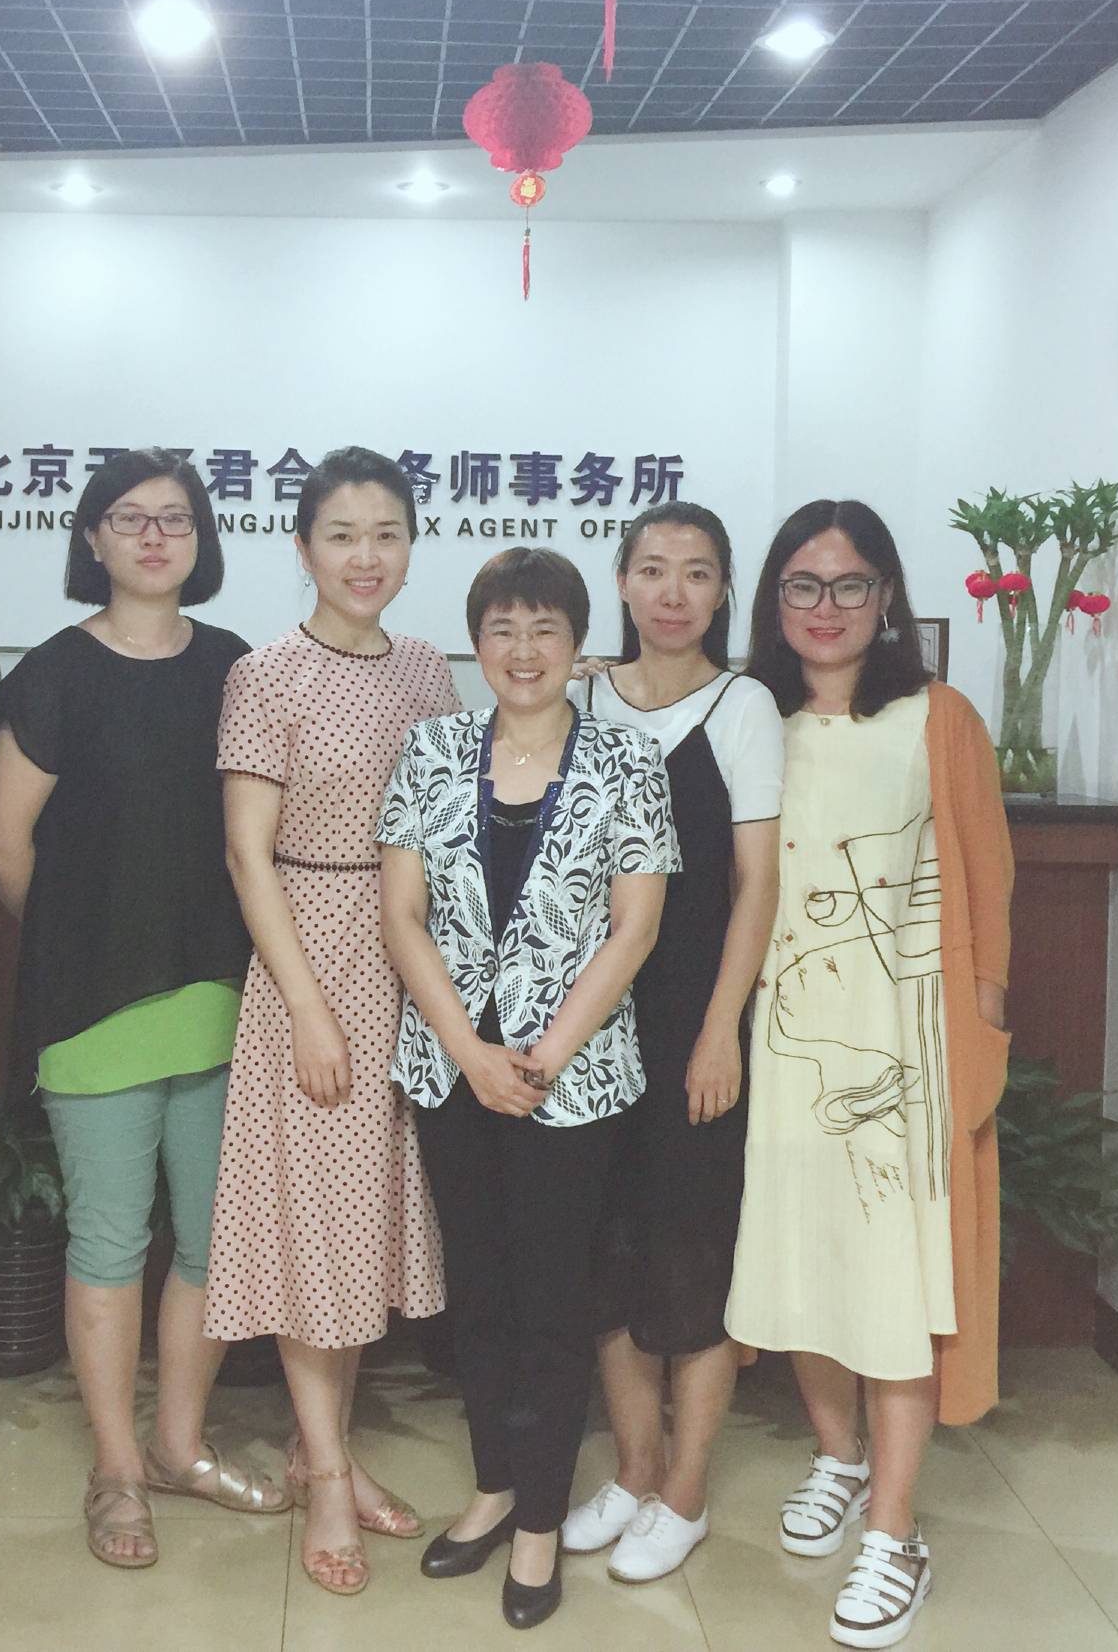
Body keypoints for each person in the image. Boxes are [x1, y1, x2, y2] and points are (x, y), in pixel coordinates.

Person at [0, 447, 286, 1571]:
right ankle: (115, 1467)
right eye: (130, 518)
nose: (155, 537)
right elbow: (3, 846)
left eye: (176, 518)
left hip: (222, 996)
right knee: (109, 1239)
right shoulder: (53, 675)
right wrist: (88, 932)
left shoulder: (237, 666)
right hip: (94, 1004)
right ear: (91, 538)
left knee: (208, 1240)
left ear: (202, 540)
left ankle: (178, 1445)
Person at [725, 500, 1013, 1650]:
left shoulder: (937, 717)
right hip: (785, 1046)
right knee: (803, 1257)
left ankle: (895, 1531)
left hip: (909, 1051)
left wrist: (981, 1028)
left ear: (886, 595)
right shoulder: (750, 717)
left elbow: (987, 884)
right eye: (803, 585)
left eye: (850, 585)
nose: (826, 607)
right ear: (773, 600)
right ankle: (837, 1457)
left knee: (898, 1279)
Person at [379, 547, 679, 1631]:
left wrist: (543, 1054)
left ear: (576, 643)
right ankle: (495, 1486)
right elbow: (402, 915)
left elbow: (634, 928)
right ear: (478, 642)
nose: (522, 649)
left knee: (554, 1298)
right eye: (502, 628)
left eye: (545, 628)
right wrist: (469, 1050)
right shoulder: (432, 749)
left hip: (575, 1079)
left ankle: (542, 1518)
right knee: (481, 1292)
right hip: (452, 1070)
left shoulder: (628, 759)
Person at [203, 446, 460, 1597]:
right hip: (309, 962)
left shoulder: (426, 667)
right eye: (343, 535)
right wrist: (308, 1007)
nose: (366, 556)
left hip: (409, 963)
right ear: (303, 547)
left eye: (386, 534)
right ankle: (323, 1479)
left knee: (361, 1234)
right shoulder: (265, 675)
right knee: (315, 1231)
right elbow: (244, 855)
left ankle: (334, 1455)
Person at [560, 503, 784, 1582]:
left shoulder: (744, 706)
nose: (672, 592)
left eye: (697, 572)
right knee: (603, 1249)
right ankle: (636, 1466)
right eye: (652, 569)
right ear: (621, 581)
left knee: (691, 1253)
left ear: (724, 591)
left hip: (693, 1017)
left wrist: (720, 1032)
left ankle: (686, 1490)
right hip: (586, 1026)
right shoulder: (578, 698)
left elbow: (755, 884)